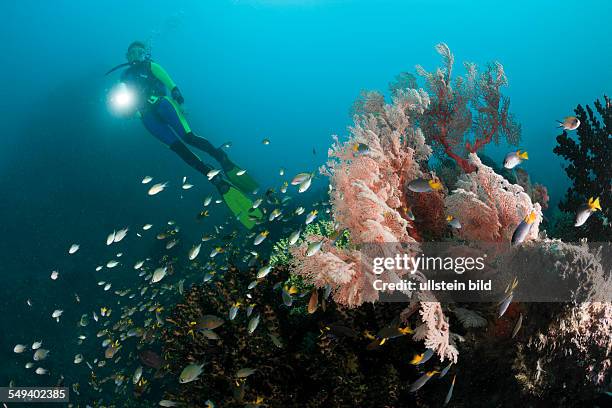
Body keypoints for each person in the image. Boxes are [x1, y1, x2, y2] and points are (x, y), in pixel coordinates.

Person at [107, 41, 262, 229]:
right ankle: (214, 178)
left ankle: (222, 158)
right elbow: (125, 107)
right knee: (179, 150)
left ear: (145, 54)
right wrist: (125, 111)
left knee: (189, 138)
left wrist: (180, 101)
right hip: (147, 118)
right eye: (132, 53)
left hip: (164, 105)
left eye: (139, 51)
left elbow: (171, 84)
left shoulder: (151, 66)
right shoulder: (124, 77)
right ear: (127, 56)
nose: (135, 55)